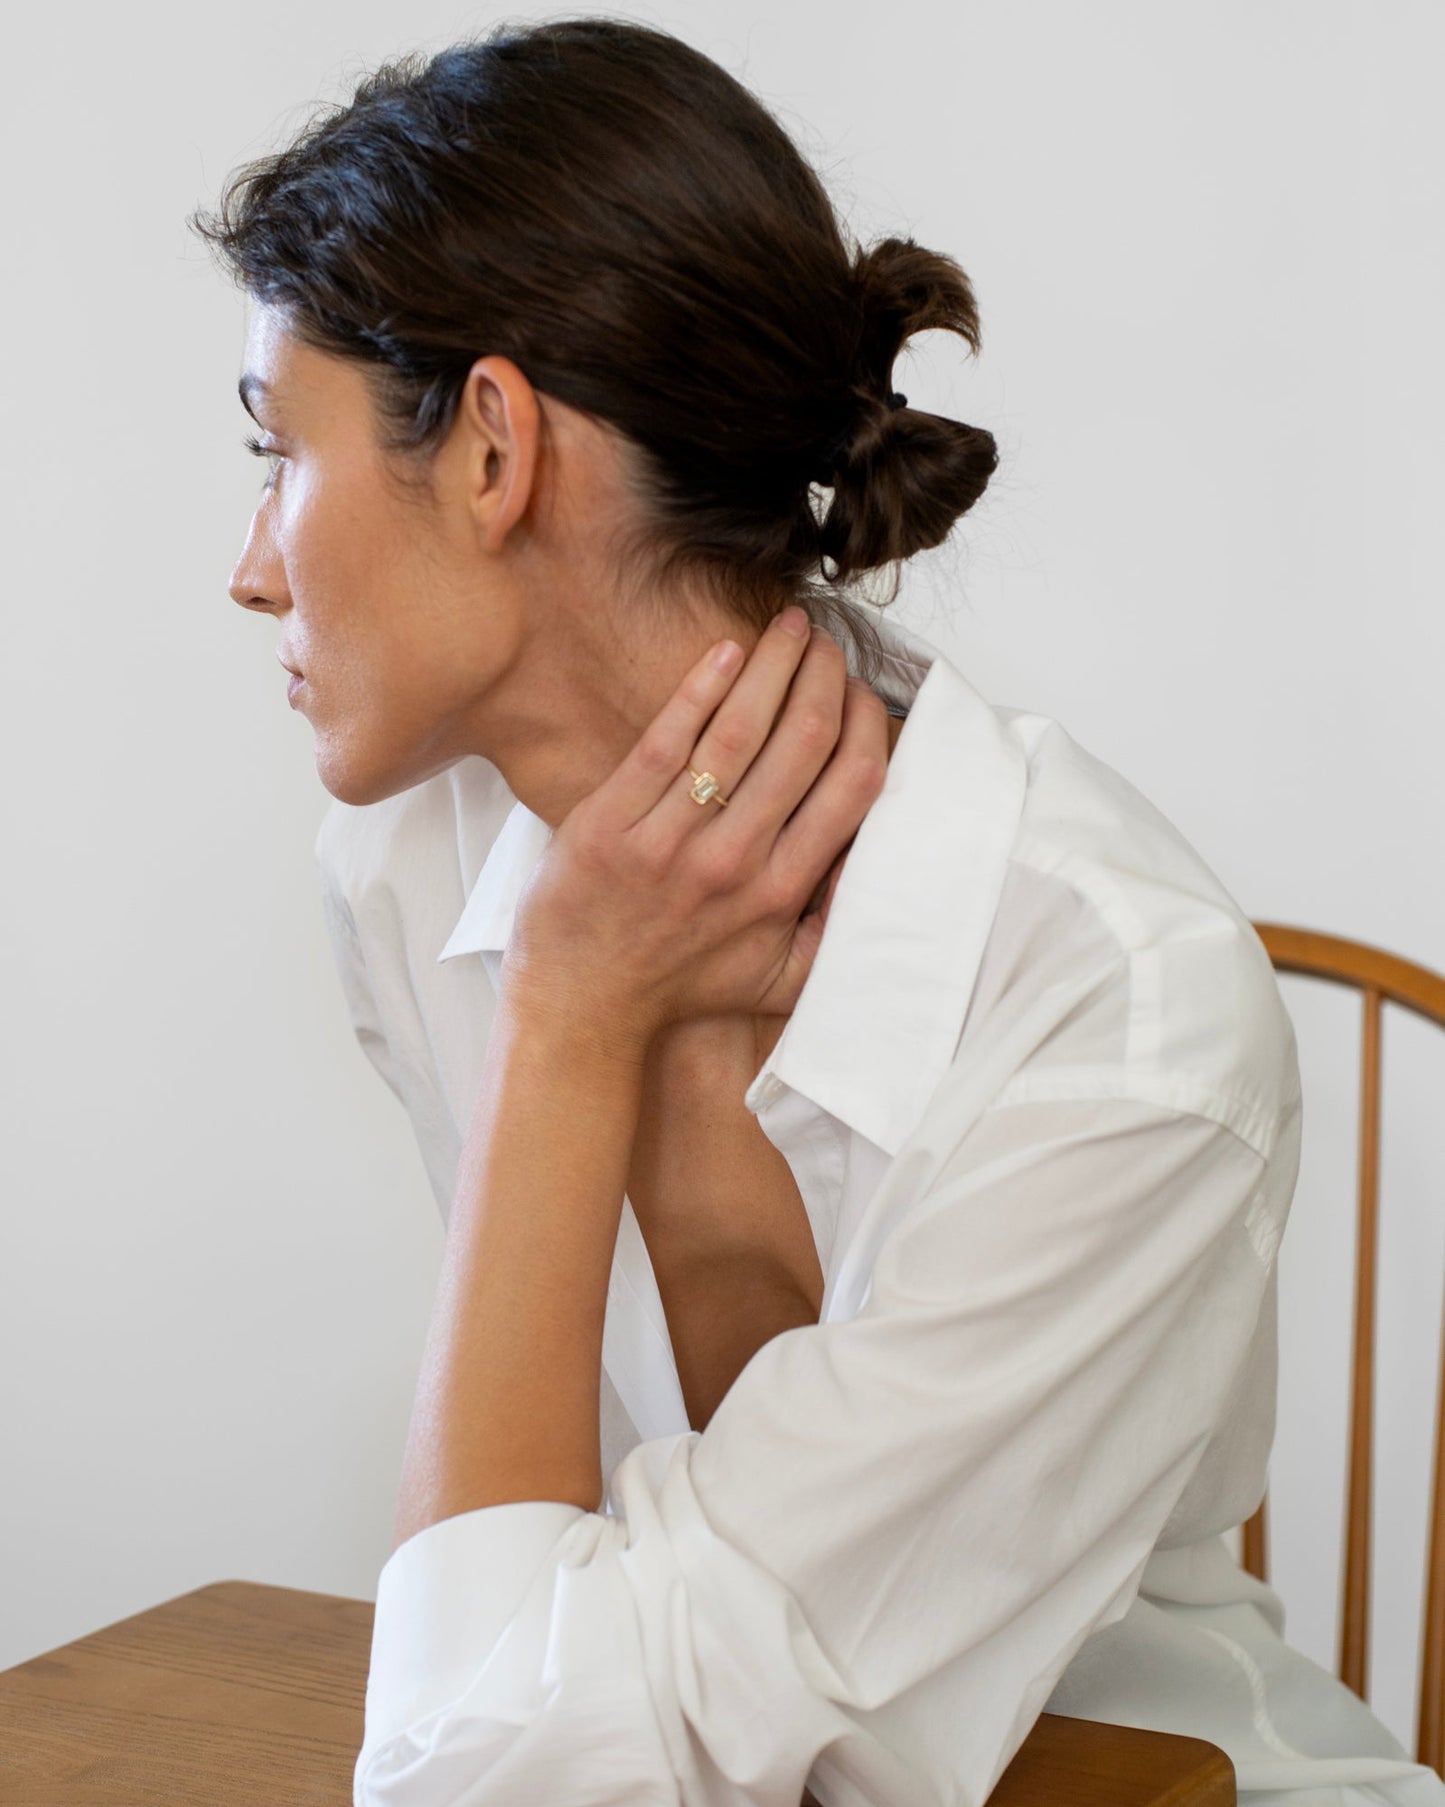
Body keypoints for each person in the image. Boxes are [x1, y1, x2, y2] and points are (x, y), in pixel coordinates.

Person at [194, 17, 1445, 1806]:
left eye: (275, 450)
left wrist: (563, 1017)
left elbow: (501, 1772)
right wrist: (569, 1015)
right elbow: (540, 1695)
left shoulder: (1120, 1021)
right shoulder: (410, 880)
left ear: (491, 449)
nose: (248, 568)